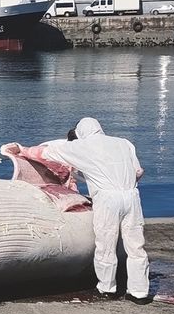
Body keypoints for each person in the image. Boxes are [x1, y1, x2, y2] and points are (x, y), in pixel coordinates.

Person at [15, 117, 150, 303]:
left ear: (81, 133)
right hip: (131, 196)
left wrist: (21, 150)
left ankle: (107, 288)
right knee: (136, 246)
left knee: (106, 244)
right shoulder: (124, 143)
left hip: (107, 199)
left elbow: (45, 153)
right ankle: (139, 292)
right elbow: (138, 172)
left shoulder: (81, 146)